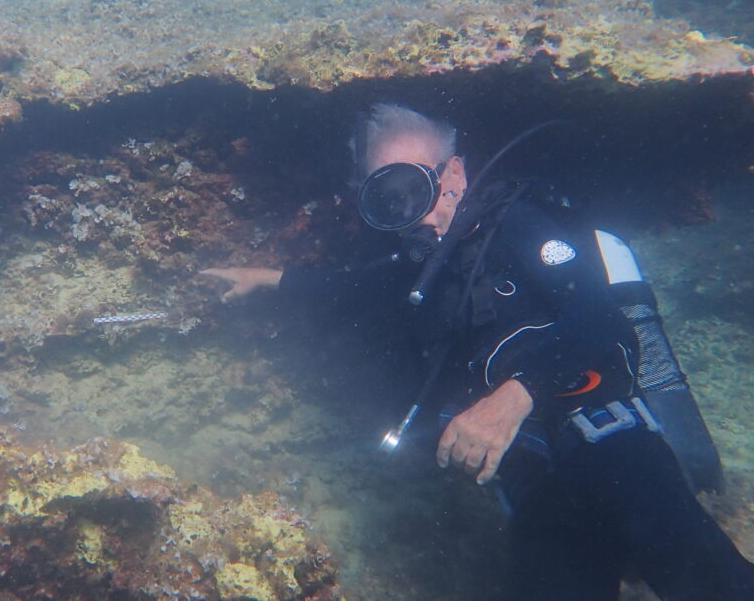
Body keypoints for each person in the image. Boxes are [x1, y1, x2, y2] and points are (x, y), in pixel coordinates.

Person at [201, 104, 754, 599]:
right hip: (534, 477)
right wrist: (269, 278)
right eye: (389, 198)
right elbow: (357, 284)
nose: (414, 213)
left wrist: (515, 396)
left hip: (611, 441)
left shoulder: (517, 223)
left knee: (703, 578)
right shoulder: (421, 268)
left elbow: (600, 319)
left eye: (419, 187)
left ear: (457, 172)